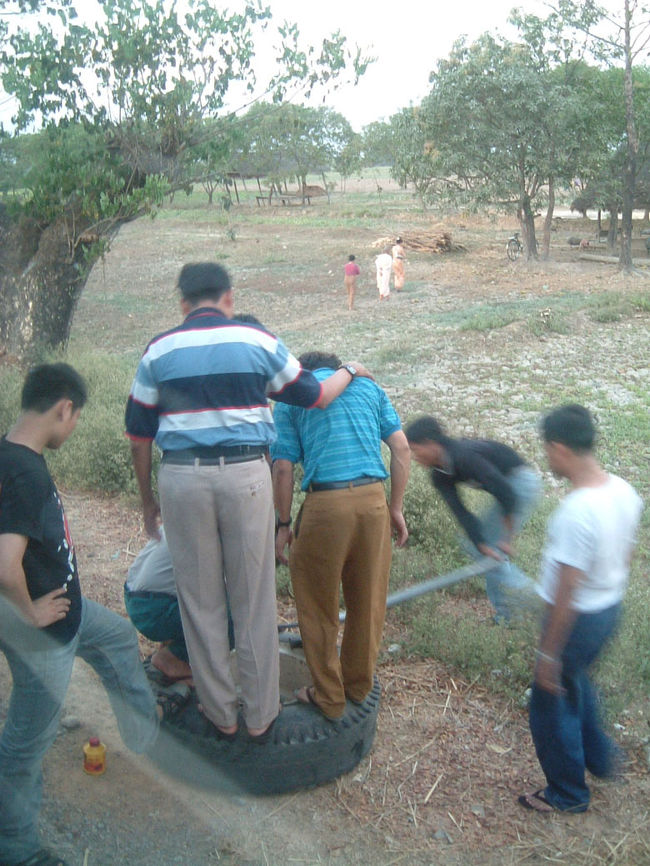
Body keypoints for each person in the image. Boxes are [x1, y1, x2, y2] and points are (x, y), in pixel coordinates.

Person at [125, 262, 371, 742]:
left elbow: (139, 436)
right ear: (229, 298)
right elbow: (316, 396)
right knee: (253, 598)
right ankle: (260, 717)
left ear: (183, 304)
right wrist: (347, 370)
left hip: (182, 477)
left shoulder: (158, 349)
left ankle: (221, 714)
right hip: (246, 476)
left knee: (200, 602)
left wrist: (147, 499)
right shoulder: (256, 341)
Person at [0, 364, 165, 866]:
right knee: (26, 746)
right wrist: (29, 612)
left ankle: (146, 736)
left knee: (115, 636)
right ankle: (18, 851)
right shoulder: (24, 472)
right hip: (45, 629)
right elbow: (5, 565)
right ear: (63, 408)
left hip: (67, 611)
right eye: (75, 419)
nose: (73, 429)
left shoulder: (10, 454)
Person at [271, 351, 410, 720]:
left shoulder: (292, 397)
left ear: (303, 370)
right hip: (373, 502)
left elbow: (283, 467)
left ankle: (329, 697)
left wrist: (282, 525)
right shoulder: (368, 389)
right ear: (335, 368)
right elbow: (401, 447)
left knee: (317, 604)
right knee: (368, 600)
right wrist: (395, 508)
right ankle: (358, 686)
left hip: (325, 505)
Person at [519, 405, 642, 814]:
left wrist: (547, 654)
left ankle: (567, 794)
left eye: (547, 451)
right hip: (610, 608)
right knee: (575, 681)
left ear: (559, 449)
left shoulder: (575, 512)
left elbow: (565, 592)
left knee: (550, 701)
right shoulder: (624, 490)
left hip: (577, 620)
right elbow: (626, 557)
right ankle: (601, 759)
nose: (547, 460)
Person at [405, 416, 541, 622]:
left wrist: (507, 537)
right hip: (508, 487)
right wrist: (480, 542)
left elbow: (505, 493)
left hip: (520, 483)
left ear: (431, 443)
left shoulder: (464, 456)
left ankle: (538, 602)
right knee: (480, 550)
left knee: (493, 556)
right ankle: (507, 616)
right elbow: (461, 512)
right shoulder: (439, 474)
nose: (414, 457)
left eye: (415, 450)